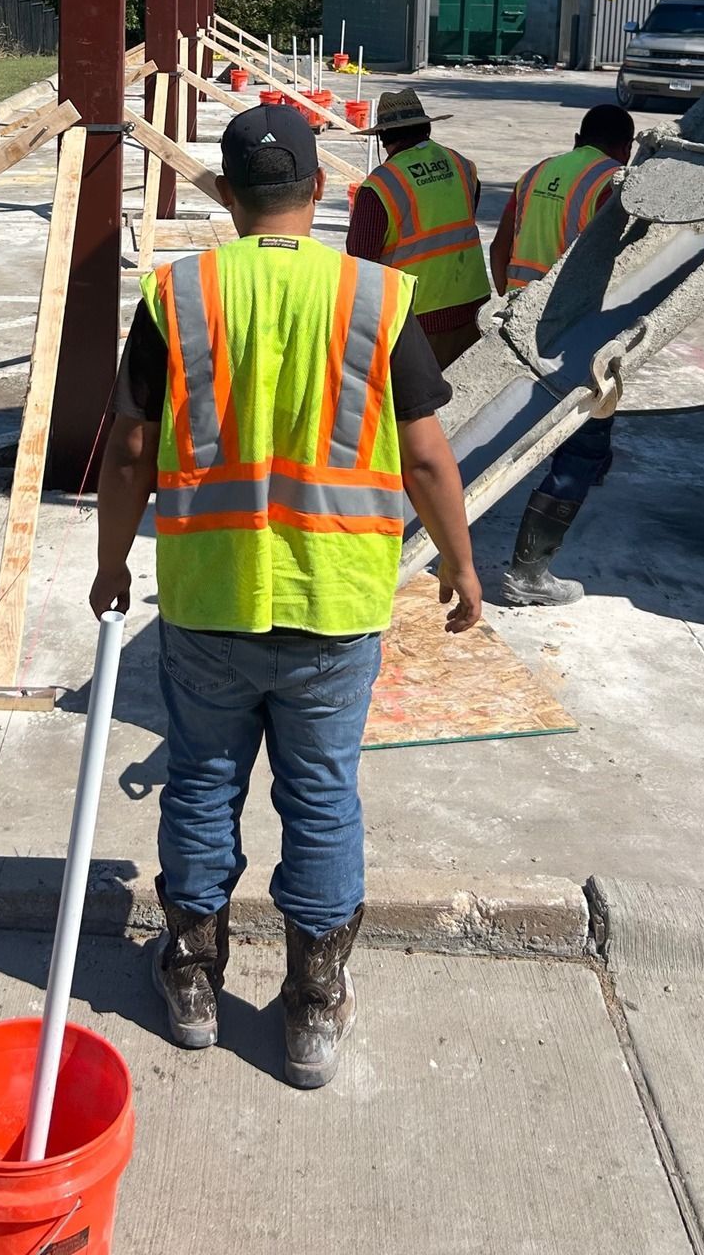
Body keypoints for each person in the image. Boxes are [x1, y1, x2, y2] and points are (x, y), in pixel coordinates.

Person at [92, 103, 482, 1090]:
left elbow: (132, 445)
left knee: (202, 785)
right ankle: (311, 1011)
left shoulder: (178, 297)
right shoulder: (375, 299)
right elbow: (428, 455)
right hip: (336, 602)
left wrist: (109, 564)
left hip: (208, 597)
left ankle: (191, 983)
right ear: (319, 189)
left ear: (227, 197)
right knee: (319, 800)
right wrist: (460, 563)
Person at [488, 103, 636, 606]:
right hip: (573, 332)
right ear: (625, 147)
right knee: (581, 446)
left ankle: (592, 468)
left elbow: (502, 243)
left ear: (578, 138)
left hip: (522, 321)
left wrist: (509, 298)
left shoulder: (538, 171)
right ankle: (529, 574)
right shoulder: (615, 180)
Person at [347, 87, 490, 370]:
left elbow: (360, 265)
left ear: (383, 137)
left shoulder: (381, 186)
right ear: (426, 127)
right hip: (474, 307)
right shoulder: (462, 165)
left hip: (417, 320)